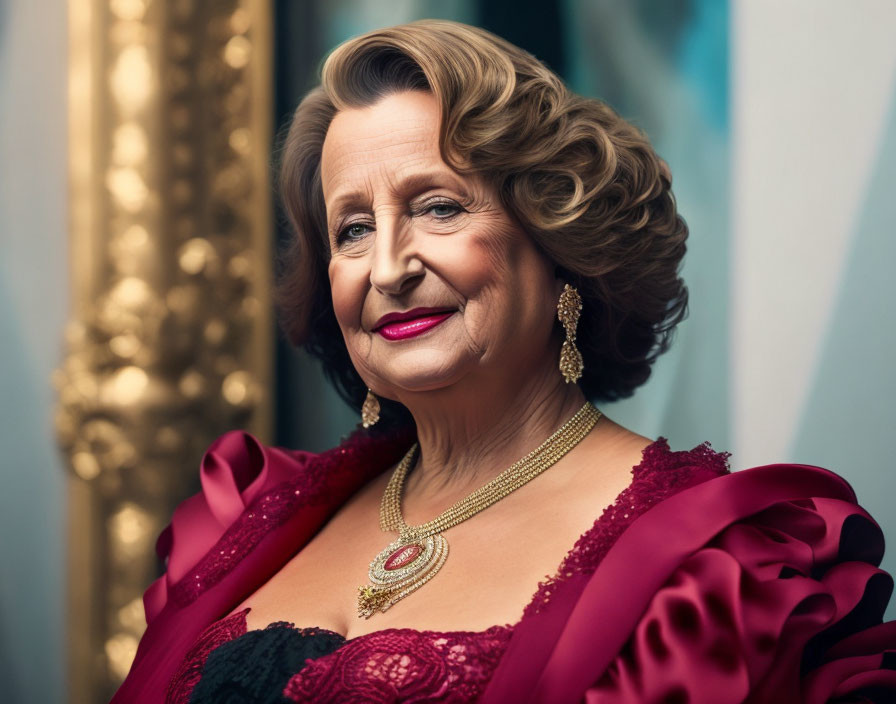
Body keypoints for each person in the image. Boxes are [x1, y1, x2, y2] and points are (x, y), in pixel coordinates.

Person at [111, 19, 896, 703]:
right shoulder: (245, 519)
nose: (386, 268)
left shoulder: (719, 576)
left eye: (438, 206)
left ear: (559, 245)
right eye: (352, 229)